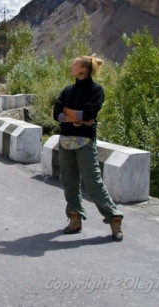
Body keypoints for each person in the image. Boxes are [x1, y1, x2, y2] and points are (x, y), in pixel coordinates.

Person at [53, 55, 124, 242]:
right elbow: (56, 114)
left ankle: (113, 218)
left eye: (74, 64)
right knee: (69, 181)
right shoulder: (67, 90)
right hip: (66, 140)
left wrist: (68, 112)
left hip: (85, 141)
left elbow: (90, 113)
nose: (71, 66)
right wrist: (78, 117)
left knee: (93, 181)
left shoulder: (96, 90)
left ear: (83, 69)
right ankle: (74, 219)